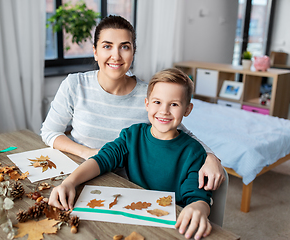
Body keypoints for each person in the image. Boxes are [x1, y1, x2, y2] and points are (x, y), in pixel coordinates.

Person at [40, 15, 224, 190]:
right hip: (78, 175)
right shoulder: (75, 84)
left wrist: (210, 155)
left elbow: (182, 133)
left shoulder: (150, 96)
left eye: (124, 47)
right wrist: (86, 153)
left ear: (133, 52)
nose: (116, 56)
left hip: (123, 185)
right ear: (95, 52)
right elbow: (49, 132)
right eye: (107, 46)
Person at [49, 68, 212, 240]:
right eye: (157, 102)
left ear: (187, 109)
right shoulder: (131, 136)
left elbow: (197, 197)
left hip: (171, 227)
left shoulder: (194, 152)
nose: (164, 111)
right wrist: (69, 183)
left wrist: (199, 207)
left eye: (174, 104)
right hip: (130, 218)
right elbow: (102, 160)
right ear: (147, 104)